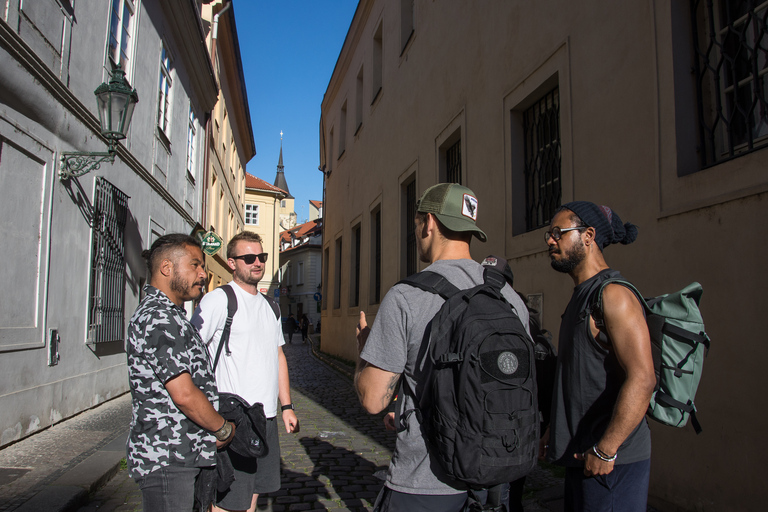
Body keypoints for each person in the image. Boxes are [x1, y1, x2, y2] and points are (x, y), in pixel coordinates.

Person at [354, 183, 530, 512]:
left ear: (430, 223)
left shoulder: (406, 296)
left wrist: (365, 350)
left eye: (417, 223)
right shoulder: (509, 297)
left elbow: (372, 399)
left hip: (426, 483)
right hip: (496, 478)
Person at [543, 201, 656, 511]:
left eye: (558, 233)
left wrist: (607, 448)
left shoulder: (613, 294)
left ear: (588, 235)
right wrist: (556, 426)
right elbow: (579, 375)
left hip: (612, 462)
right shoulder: (580, 296)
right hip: (582, 457)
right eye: (548, 235)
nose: (551, 241)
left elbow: (643, 378)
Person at [126, 234, 235, 512]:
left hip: (184, 453)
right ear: (167, 268)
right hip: (168, 457)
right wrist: (221, 427)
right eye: (195, 265)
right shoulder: (158, 317)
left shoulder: (172, 315)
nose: (203, 274)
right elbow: (184, 393)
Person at [192, 231, 299, 512]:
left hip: (266, 418)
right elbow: (192, 353)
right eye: (249, 258)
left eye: (261, 257)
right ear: (231, 263)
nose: (257, 263)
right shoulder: (219, 300)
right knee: (228, 502)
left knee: (253, 497)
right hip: (234, 419)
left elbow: (278, 356)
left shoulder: (270, 306)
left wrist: (286, 405)